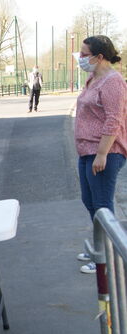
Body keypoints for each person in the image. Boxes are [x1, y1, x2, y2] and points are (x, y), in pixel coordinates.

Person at [74, 35, 127, 274]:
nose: (81, 58)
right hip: (87, 150)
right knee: (89, 201)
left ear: (100, 56)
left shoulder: (113, 82)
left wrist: (103, 153)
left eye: (84, 54)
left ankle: (107, 257)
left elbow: (113, 120)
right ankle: (100, 246)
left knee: (103, 206)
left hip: (104, 151)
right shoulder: (93, 78)